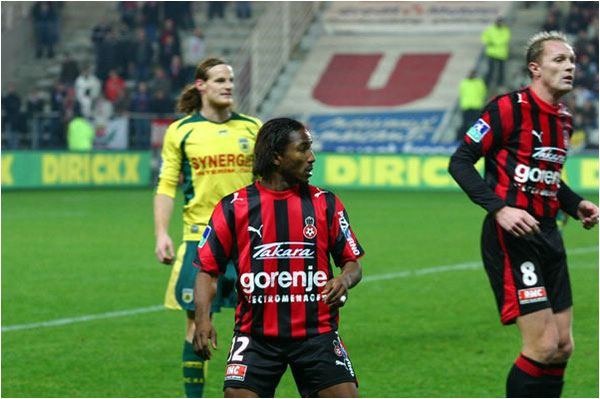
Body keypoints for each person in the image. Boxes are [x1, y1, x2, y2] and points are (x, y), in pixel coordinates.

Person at [448, 31, 599, 397]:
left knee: (563, 346)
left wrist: (573, 202)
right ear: (535, 68)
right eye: (559, 60)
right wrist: (499, 209)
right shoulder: (507, 108)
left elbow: (547, 176)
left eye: (572, 61)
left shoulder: (563, 119)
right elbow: (461, 161)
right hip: (513, 238)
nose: (569, 67)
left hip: (549, 233)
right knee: (542, 346)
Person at [193, 117, 364, 398]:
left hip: (316, 334)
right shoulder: (233, 207)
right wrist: (202, 320)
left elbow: (353, 263)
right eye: (303, 149)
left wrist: (344, 279)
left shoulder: (325, 203)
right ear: (276, 157)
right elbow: (207, 270)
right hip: (255, 337)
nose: (311, 158)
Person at [154, 57, 262, 398]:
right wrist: (161, 233)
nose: (228, 85)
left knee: (259, 325)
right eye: (219, 80)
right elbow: (167, 184)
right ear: (201, 85)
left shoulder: (252, 128)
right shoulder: (182, 131)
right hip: (201, 237)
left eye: (230, 80)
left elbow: (268, 185)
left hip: (249, 239)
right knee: (196, 324)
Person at [457, 69, 487, 141]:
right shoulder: (464, 83)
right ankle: (462, 139)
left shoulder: (479, 83)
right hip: (466, 106)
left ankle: (476, 140)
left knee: (477, 124)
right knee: (465, 123)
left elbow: (483, 93)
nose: (471, 75)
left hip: (476, 106)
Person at [481, 17, 511, 88]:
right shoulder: (490, 29)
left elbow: (505, 39)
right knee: (490, 69)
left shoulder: (505, 30)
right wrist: (488, 41)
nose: (499, 23)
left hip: (501, 54)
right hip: (492, 53)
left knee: (501, 70)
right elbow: (484, 37)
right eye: (498, 22)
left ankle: (500, 83)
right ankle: (487, 83)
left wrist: (493, 42)